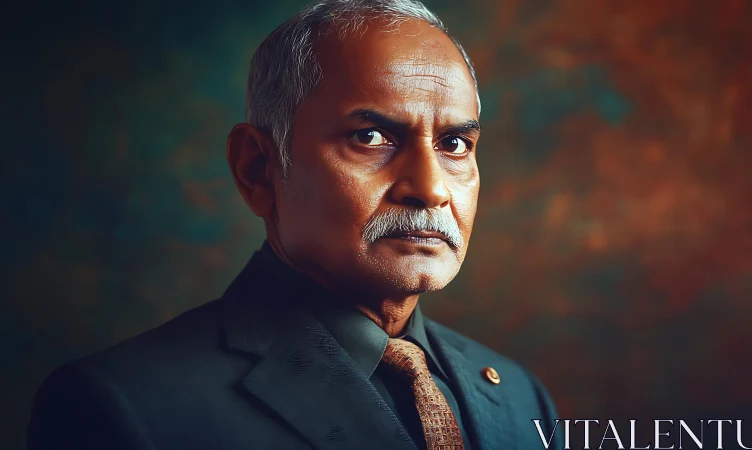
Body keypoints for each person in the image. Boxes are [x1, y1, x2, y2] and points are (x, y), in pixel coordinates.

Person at [27, 0, 562, 449]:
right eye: (371, 138)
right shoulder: (122, 408)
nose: (431, 187)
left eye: (454, 145)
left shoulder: (518, 395)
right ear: (258, 168)